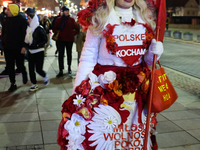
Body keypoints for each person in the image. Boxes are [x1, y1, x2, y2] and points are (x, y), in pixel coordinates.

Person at [57, 0, 164, 149]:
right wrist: (78, 95)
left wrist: (155, 53)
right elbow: (88, 58)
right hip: (106, 93)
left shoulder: (145, 18)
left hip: (135, 96)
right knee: (106, 139)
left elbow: (145, 62)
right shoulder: (100, 18)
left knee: (132, 140)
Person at [2, 4, 28, 92]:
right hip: (8, 47)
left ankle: (24, 73)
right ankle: (12, 83)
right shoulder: (6, 20)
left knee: (20, 65)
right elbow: (4, 33)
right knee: (10, 66)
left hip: (18, 47)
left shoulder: (22, 21)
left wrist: (24, 46)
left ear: (13, 11)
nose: (7, 11)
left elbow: (25, 35)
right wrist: (3, 44)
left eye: (9, 10)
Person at [22, 8, 49, 91]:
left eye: (29, 19)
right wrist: (24, 46)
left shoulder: (39, 28)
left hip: (39, 51)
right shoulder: (29, 29)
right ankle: (34, 84)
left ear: (33, 19)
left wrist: (37, 45)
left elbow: (45, 39)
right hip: (31, 52)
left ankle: (45, 76)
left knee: (38, 69)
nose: (28, 20)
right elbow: (26, 40)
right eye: (27, 18)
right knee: (31, 69)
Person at [53, 6, 79, 77]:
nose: (67, 12)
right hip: (60, 40)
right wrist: (59, 33)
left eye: (67, 11)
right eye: (65, 11)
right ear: (62, 11)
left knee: (69, 54)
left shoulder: (72, 19)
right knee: (60, 55)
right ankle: (61, 70)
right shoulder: (58, 19)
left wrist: (71, 34)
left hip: (69, 40)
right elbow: (54, 28)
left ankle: (69, 68)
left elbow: (77, 29)